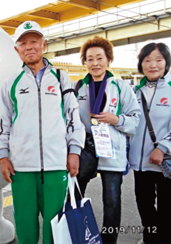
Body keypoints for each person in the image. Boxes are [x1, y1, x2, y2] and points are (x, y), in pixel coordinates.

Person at [0, 20, 85, 244]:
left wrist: (74, 150)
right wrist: (3, 155)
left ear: (43, 45)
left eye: (34, 41)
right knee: (25, 221)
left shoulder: (60, 77)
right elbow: (2, 122)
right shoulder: (10, 83)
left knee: (55, 223)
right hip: (21, 166)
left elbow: (73, 115)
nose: (29, 47)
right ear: (17, 50)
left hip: (56, 164)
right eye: (23, 43)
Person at [72, 36, 140, 244]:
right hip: (86, 149)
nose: (95, 63)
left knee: (111, 201)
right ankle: (79, 236)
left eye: (99, 58)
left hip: (111, 150)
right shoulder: (78, 88)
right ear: (84, 62)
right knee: (74, 196)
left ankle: (109, 240)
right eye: (89, 59)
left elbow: (136, 120)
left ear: (108, 60)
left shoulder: (120, 87)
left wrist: (116, 119)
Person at [129, 42, 171, 244]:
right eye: (147, 60)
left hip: (165, 161)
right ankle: (152, 240)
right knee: (144, 205)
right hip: (140, 164)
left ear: (166, 62)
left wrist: (162, 148)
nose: (152, 65)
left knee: (168, 207)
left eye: (158, 60)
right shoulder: (135, 91)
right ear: (141, 64)